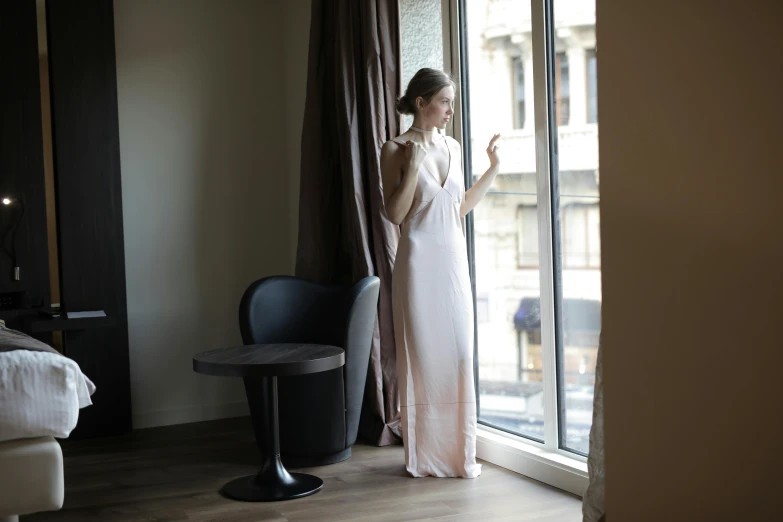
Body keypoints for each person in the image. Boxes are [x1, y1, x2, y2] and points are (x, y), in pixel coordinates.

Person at [380, 68, 500, 478]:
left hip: (453, 264)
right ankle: (425, 456)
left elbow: (457, 206)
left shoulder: (454, 146)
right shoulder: (394, 149)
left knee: (459, 354)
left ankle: (458, 454)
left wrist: (493, 169)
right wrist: (412, 167)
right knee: (424, 360)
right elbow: (395, 215)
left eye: (451, 101)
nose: (450, 109)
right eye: (444, 101)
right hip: (417, 265)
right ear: (421, 102)